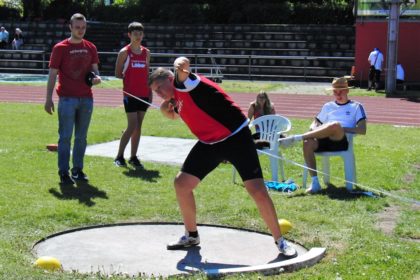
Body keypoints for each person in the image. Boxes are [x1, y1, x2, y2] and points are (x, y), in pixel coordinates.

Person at [148, 57, 297, 258]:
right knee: (181, 184)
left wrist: (179, 63)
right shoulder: (176, 98)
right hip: (210, 143)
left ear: (169, 78)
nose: (158, 94)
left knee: (257, 191)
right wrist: (167, 109)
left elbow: (183, 66)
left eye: (159, 88)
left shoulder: (184, 82)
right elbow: (174, 115)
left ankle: (280, 241)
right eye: (155, 92)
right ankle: (191, 235)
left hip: (236, 137)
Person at [279, 77, 367, 193]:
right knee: (308, 142)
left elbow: (362, 130)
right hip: (324, 138)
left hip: (341, 139)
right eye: (335, 91)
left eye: (340, 91)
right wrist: (313, 129)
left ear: (347, 91)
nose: (338, 94)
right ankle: (315, 183)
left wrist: (341, 128)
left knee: (335, 125)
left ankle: (296, 138)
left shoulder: (356, 106)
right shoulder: (328, 106)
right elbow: (316, 122)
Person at [44, 13, 101, 185]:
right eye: (77, 27)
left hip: (86, 99)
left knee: (82, 137)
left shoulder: (91, 47)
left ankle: (77, 170)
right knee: (65, 137)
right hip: (67, 99)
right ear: (70, 27)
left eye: (83, 27)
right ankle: (63, 172)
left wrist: (97, 79)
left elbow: (95, 72)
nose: (80, 30)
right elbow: (52, 74)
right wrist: (48, 98)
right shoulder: (60, 48)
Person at [113, 22, 151, 168]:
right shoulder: (124, 52)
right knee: (132, 125)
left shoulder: (146, 53)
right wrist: (130, 80)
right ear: (129, 35)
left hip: (144, 94)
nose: (138, 37)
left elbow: (147, 74)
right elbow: (117, 73)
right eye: (135, 34)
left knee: (138, 126)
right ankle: (119, 156)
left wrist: (149, 92)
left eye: (140, 34)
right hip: (130, 95)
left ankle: (133, 157)